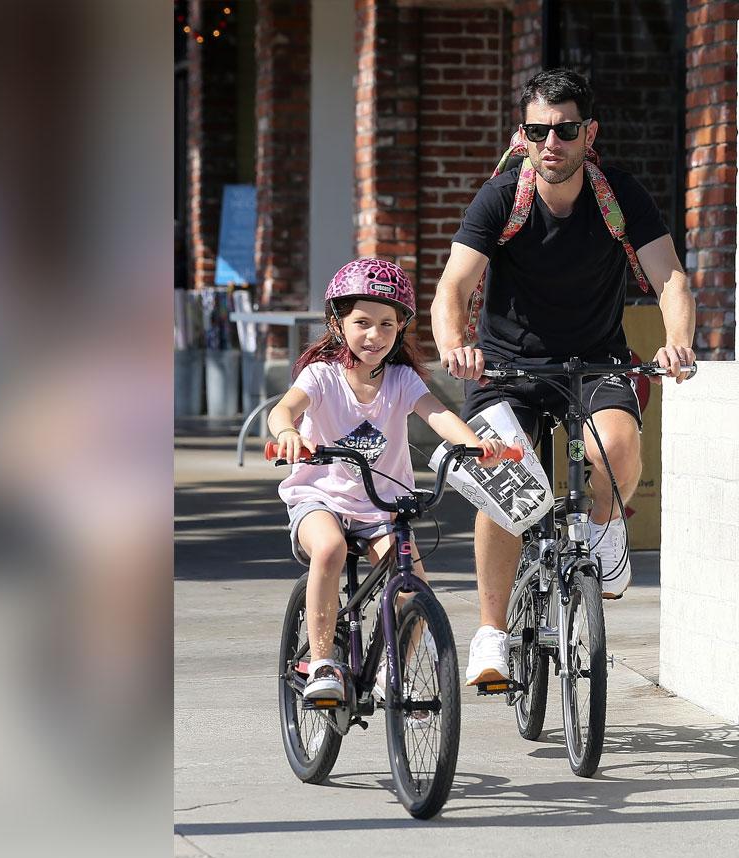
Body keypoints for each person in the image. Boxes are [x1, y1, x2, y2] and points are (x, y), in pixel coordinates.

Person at [429, 68, 696, 687]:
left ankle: (604, 530)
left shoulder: (620, 195)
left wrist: (677, 342)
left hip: (594, 360)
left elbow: (670, 280)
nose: (552, 142)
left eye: (565, 130)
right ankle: (492, 632)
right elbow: (454, 285)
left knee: (620, 449)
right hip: (506, 369)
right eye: (538, 130)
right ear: (522, 136)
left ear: (588, 133)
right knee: (504, 479)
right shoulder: (500, 198)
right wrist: (455, 345)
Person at [267, 258, 509, 705]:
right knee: (330, 548)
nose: (374, 335)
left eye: (387, 324)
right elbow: (284, 410)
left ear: (400, 330)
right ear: (337, 323)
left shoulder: (401, 380)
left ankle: (389, 671)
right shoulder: (321, 376)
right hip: (319, 496)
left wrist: (477, 446)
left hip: (381, 506)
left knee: (414, 587)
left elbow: (438, 416)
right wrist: (285, 432)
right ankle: (322, 662)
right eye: (361, 322)